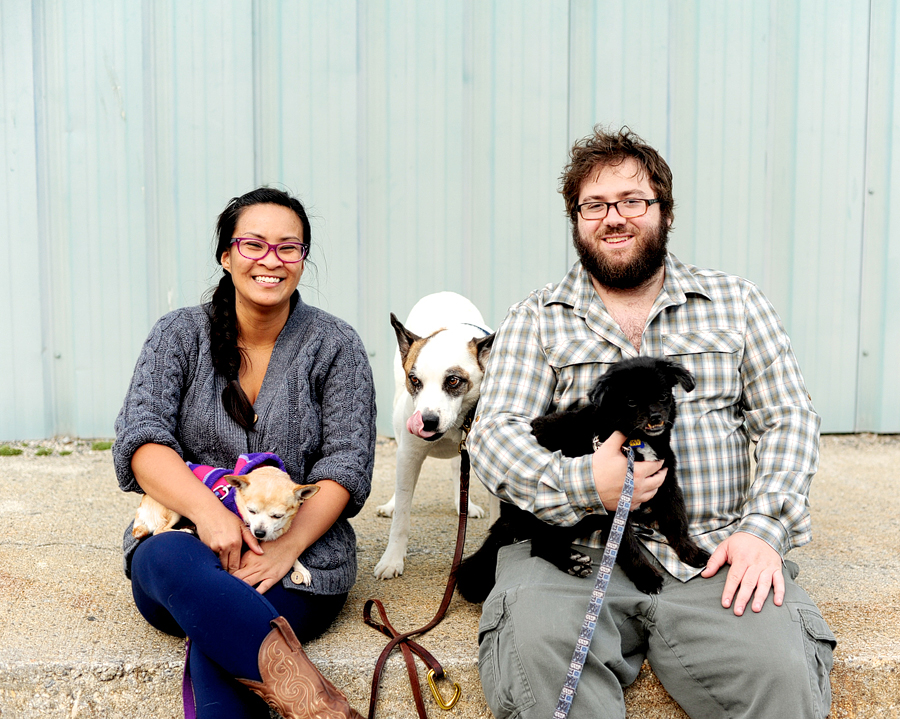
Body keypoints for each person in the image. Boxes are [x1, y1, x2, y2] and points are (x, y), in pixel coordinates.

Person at [467, 127, 836, 719]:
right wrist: (586, 483)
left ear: (664, 210)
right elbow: (494, 435)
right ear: (575, 218)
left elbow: (789, 417)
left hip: (713, 551)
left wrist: (765, 529)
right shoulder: (535, 316)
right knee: (537, 663)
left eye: (632, 200)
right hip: (573, 554)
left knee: (784, 677)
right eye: (595, 205)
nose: (614, 217)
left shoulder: (736, 303)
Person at [113, 187, 376, 719]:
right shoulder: (178, 336)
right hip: (184, 547)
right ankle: (323, 710)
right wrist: (211, 514)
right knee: (164, 556)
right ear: (226, 255)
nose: (271, 261)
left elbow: (346, 466)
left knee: (224, 629)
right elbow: (142, 440)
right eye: (253, 244)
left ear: (303, 259)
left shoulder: (336, 345)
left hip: (299, 563)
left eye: (289, 248)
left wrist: (286, 546)